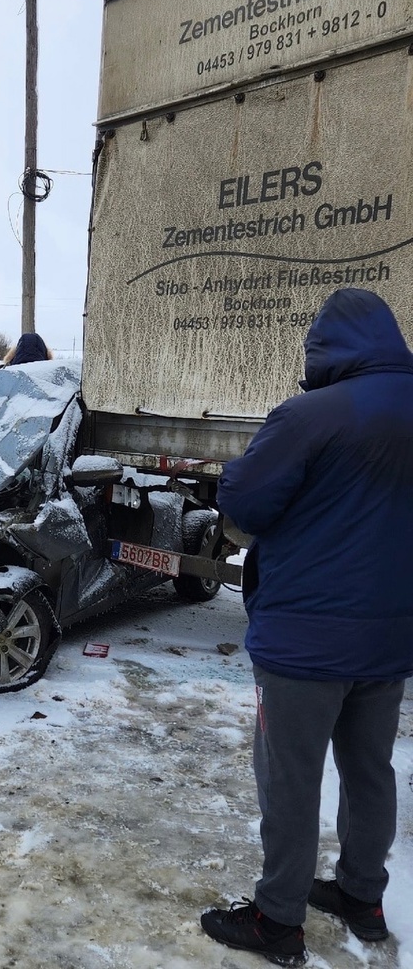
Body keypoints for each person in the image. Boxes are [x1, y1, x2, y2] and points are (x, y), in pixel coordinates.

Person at [201, 288, 413, 966]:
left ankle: (278, 921)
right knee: (371, 771)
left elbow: (244, 500)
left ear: (326, 345)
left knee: (292, 780)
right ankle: (361, 898)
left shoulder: (309, 415)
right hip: (391, 636)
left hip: (304, 641)